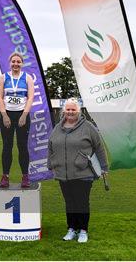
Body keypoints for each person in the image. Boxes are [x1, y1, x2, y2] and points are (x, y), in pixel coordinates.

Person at [47, 98, 108, 243]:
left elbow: (99, 147)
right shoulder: (57, 128)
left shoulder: (88, 127)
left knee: (81, 202)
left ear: (78, 111)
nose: (70, 112)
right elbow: (50, 146)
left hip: (83, 172)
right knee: (69, 202)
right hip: (63, 173)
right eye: (68, 109)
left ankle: (83, 230)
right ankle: (71, 229)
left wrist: (104, 167)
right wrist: (51, 163)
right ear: (63, 111)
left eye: (73, 109)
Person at [0, 52, 35, 188]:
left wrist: (24, 115)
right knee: (7, 146)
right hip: (7, 115)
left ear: (22, 64)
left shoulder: (28, 78)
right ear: (10, 63)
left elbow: (30, 98)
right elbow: (0, 97)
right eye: (13, 61)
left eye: (18, 62)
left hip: (22, 115)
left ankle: (25, 176)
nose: (16, 64)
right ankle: (5, 176)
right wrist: (4, 115)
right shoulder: (3, 78)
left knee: (22, 146)